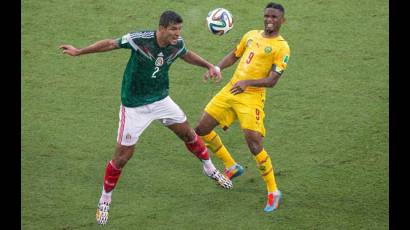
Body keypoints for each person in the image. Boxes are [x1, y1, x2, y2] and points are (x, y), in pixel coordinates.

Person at [59, 10, 233, 225]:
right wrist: (79, 52)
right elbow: (110, 44)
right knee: (122, 157)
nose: (177, 34)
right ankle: (105, 199)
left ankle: (210, 169)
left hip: (161, 100)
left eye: (179, 29)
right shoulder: (139, 40)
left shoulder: (176, 44)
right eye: (173, 29)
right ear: (161, 28)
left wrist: (208, 65)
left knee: (188, 133)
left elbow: (185, 53)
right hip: (134, 106)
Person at [194, 2, 290, 213]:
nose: (269, 20)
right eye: (267, 16)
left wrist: (247, 83)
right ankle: (231, 166)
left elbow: (273, 80)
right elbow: (234, 55)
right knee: (201, 130)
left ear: (282, 20)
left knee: (254, 144)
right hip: (231, 90)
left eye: (274, 17)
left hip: (252, 98)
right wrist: (217, 67)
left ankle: (273, 191)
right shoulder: (251, 35)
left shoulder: (282, 47)